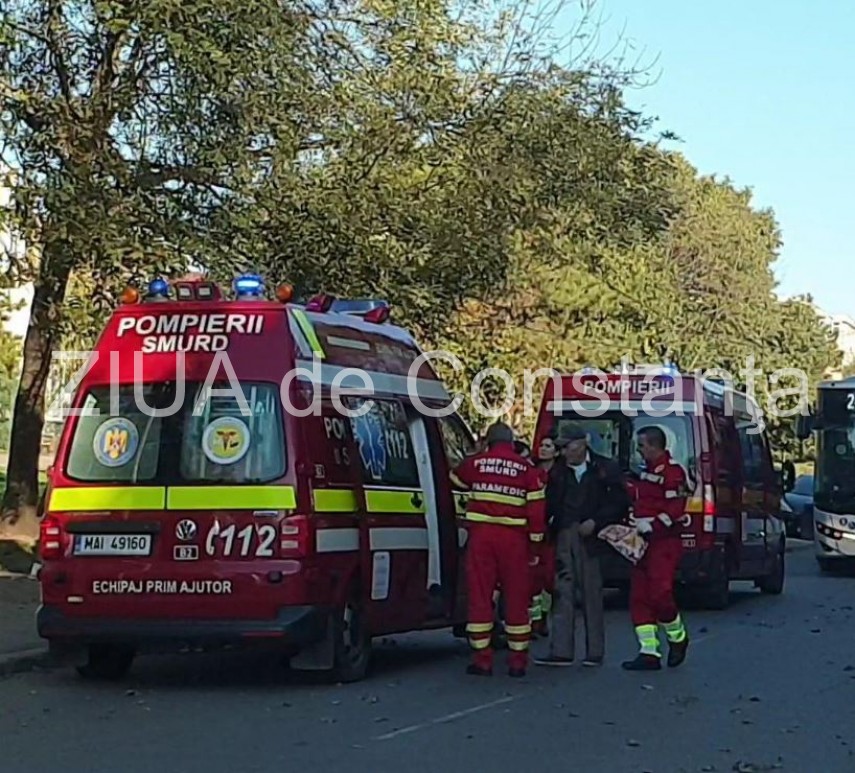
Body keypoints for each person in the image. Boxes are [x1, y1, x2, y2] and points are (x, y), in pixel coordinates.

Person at [451, 421, 546, 677]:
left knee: (481, 596)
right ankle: (517, 662)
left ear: (489, 442)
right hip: (514, 540)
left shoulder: (477, 463)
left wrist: (477, 453)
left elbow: (455, 479)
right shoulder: (527, 469)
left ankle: (482, 659)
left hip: (482, 539)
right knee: (516, 597)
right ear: (513, 443)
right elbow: (536, 509)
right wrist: (535, 545)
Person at [535, 423, 629, 667]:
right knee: (562, 592)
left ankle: (594, 652)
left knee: (592, 594)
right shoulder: (557, 472)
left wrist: (596, 522)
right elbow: (549, 504)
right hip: (564, 534)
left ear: (584, 443)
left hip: (592, 539)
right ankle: (561, 650)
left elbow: (619, 502)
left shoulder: (605, 469)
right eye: (561, 448)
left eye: (568, 446)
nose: (565, 452)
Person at [622, 425, 690, 671]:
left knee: (660, 592)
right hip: (641, 543)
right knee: (639, 596)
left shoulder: (673, 473)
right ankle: (648, 651)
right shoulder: (643, 474)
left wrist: (652, 525)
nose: (639, 451)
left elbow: (676, 508)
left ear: (654, 445)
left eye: (642, 446)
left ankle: (678, 637)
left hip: (664, 542)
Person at [530, 434, 559, 637]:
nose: (543, 448)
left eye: (548, 446)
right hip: (532, 531)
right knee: (533, 577)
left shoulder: (561, 474)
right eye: (541, 444)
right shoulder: (532, 471)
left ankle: (543, 614)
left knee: (549, 578)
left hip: (551, 532)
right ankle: (534, 620)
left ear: (556, 451)